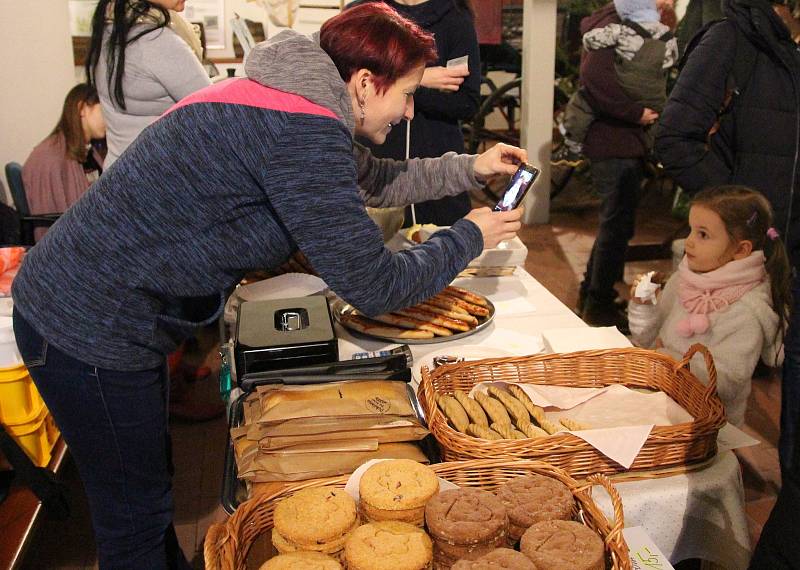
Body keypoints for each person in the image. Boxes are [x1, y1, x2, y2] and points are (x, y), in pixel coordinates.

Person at [11, 4, 524, 567]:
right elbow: (376, 284)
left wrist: (470, 167)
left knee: (147, 496)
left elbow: (371, 178)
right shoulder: (299, 128)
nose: (407, 113)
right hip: (86, 323)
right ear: (362, 83)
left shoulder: (288, 98)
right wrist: (469, 234)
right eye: (404, 94)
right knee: (133, 517)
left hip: (94, 310)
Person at [654, 0, 800, 472]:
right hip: (747, 254)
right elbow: (675, 138)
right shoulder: (732, 38)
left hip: (786, 253)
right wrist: (739, 215)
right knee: (717, 381)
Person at [628, 186, 788, 426]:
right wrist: (644, 306)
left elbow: (728, 382)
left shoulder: (746, 310)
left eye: (703, 235)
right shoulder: (685, 279)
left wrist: (667, 360)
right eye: (690, 230)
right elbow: (647, 339)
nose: (688, 242)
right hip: (661, 402)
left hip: (707, 427)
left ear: (740, 250)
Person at [574, 0, 672, 330]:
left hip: (622, 140)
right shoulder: (615, 24)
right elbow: (593, 78)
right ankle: (598, 305)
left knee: (615, 225)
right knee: (615, 226)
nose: (668, 3)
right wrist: (634, 112)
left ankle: (593, 294)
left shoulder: (623, 21)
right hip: (613, 140)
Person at [348, 0, 481, 227]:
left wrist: (409, 89)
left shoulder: (455, 18)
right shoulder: (363, 12)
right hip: (375, 149)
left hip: (436, 152)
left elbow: (467, 102)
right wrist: (420, 80)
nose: (406, 111)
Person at [85, 0, 211, 167]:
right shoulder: (155, 39)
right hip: (155, 178)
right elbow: (215, 112)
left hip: (119, 173)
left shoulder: (111, 29)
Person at [552, 0, 678, 167]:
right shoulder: (666, 35)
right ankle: (658, 153)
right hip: (618, 139)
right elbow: (595, 77)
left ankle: (572, 146)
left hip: (624, 126)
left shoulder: (620, 30)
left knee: (582, 102)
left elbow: (592, 41)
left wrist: (588, 40)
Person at [21, 83, 106, 242]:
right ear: (82, 109)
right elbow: (51, 229)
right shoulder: (49, 158)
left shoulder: (90, 152)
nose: (109, 118)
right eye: (104, 110)